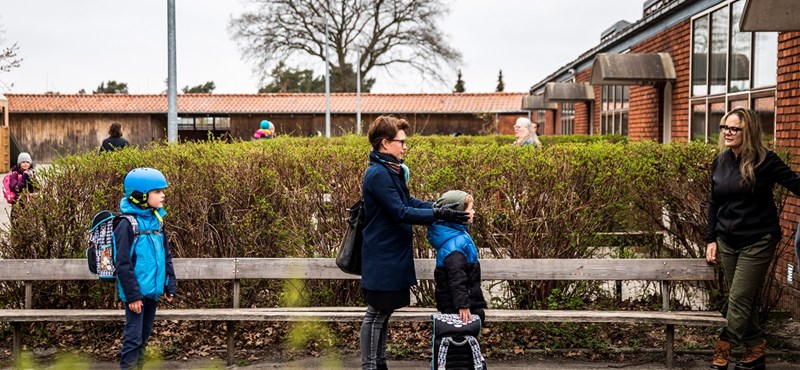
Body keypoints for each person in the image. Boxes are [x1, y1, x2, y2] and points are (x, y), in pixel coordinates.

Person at [360, 115, 470, 370]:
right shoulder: (378, 174)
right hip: (382, 255)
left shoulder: (391, 170)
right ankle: (370, 367)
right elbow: (400, 211)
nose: (405, 147)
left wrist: (439, 206)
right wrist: (440, 213)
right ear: (385, 143)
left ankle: (380, 363)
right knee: (375, 314)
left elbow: (409, 203)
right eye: (402, 142)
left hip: (392, 255)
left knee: (383, 314)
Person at [705, 107, 800, 370]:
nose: (728, 132)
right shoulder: (721, 160)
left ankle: (724, 344)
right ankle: (756, 349)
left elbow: (795, 183)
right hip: (727, 241)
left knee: (738, 298)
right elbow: (713, 203)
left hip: (758, 239)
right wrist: (711, 238)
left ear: (748, 132)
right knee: (743, 298)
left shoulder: (766, 161)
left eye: (734, 128)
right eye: (725, 127)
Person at [115, 167, 177, 370]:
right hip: (136, 294)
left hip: (152, 290)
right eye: (157, 191)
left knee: (143, 336)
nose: (163, 195)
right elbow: (122, 263)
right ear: (141, 196)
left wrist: (170, 282)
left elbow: (165, 254)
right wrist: (133, 296)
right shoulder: (127, 224)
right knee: (133, 338)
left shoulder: (157, 220)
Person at [427, 190, 485, 324]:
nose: (474, 212)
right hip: (456, 307)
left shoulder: (456, 235)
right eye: (471, 209)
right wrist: (463, 305)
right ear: (458, 214)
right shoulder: (455, 245)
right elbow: (456, 277)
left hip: (459, 302)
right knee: (467, 330)